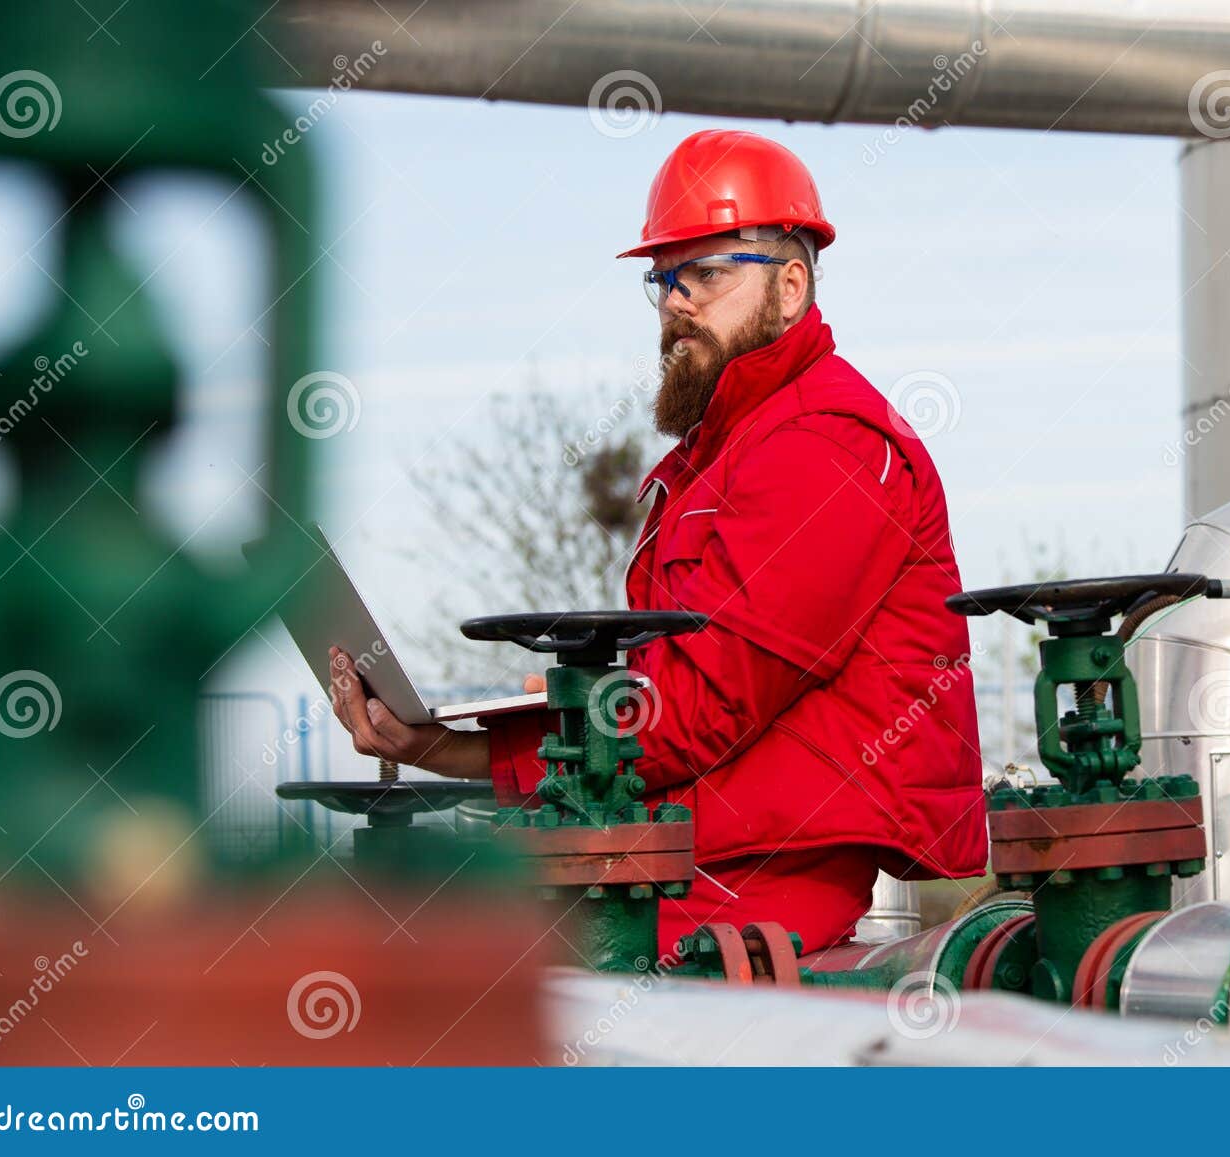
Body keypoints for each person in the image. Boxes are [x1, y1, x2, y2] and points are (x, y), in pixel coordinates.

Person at [328, 129, 986, 957]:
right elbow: (664, 692)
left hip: (753, 877)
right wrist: (457, 739)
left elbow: (704, 702)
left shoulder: (825, 445)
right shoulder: (722, 453)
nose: (677, 302)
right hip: (687, 852)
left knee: (454, 978)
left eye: (706, 273)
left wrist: (461, 750)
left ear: (790, 286)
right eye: (664, 280)